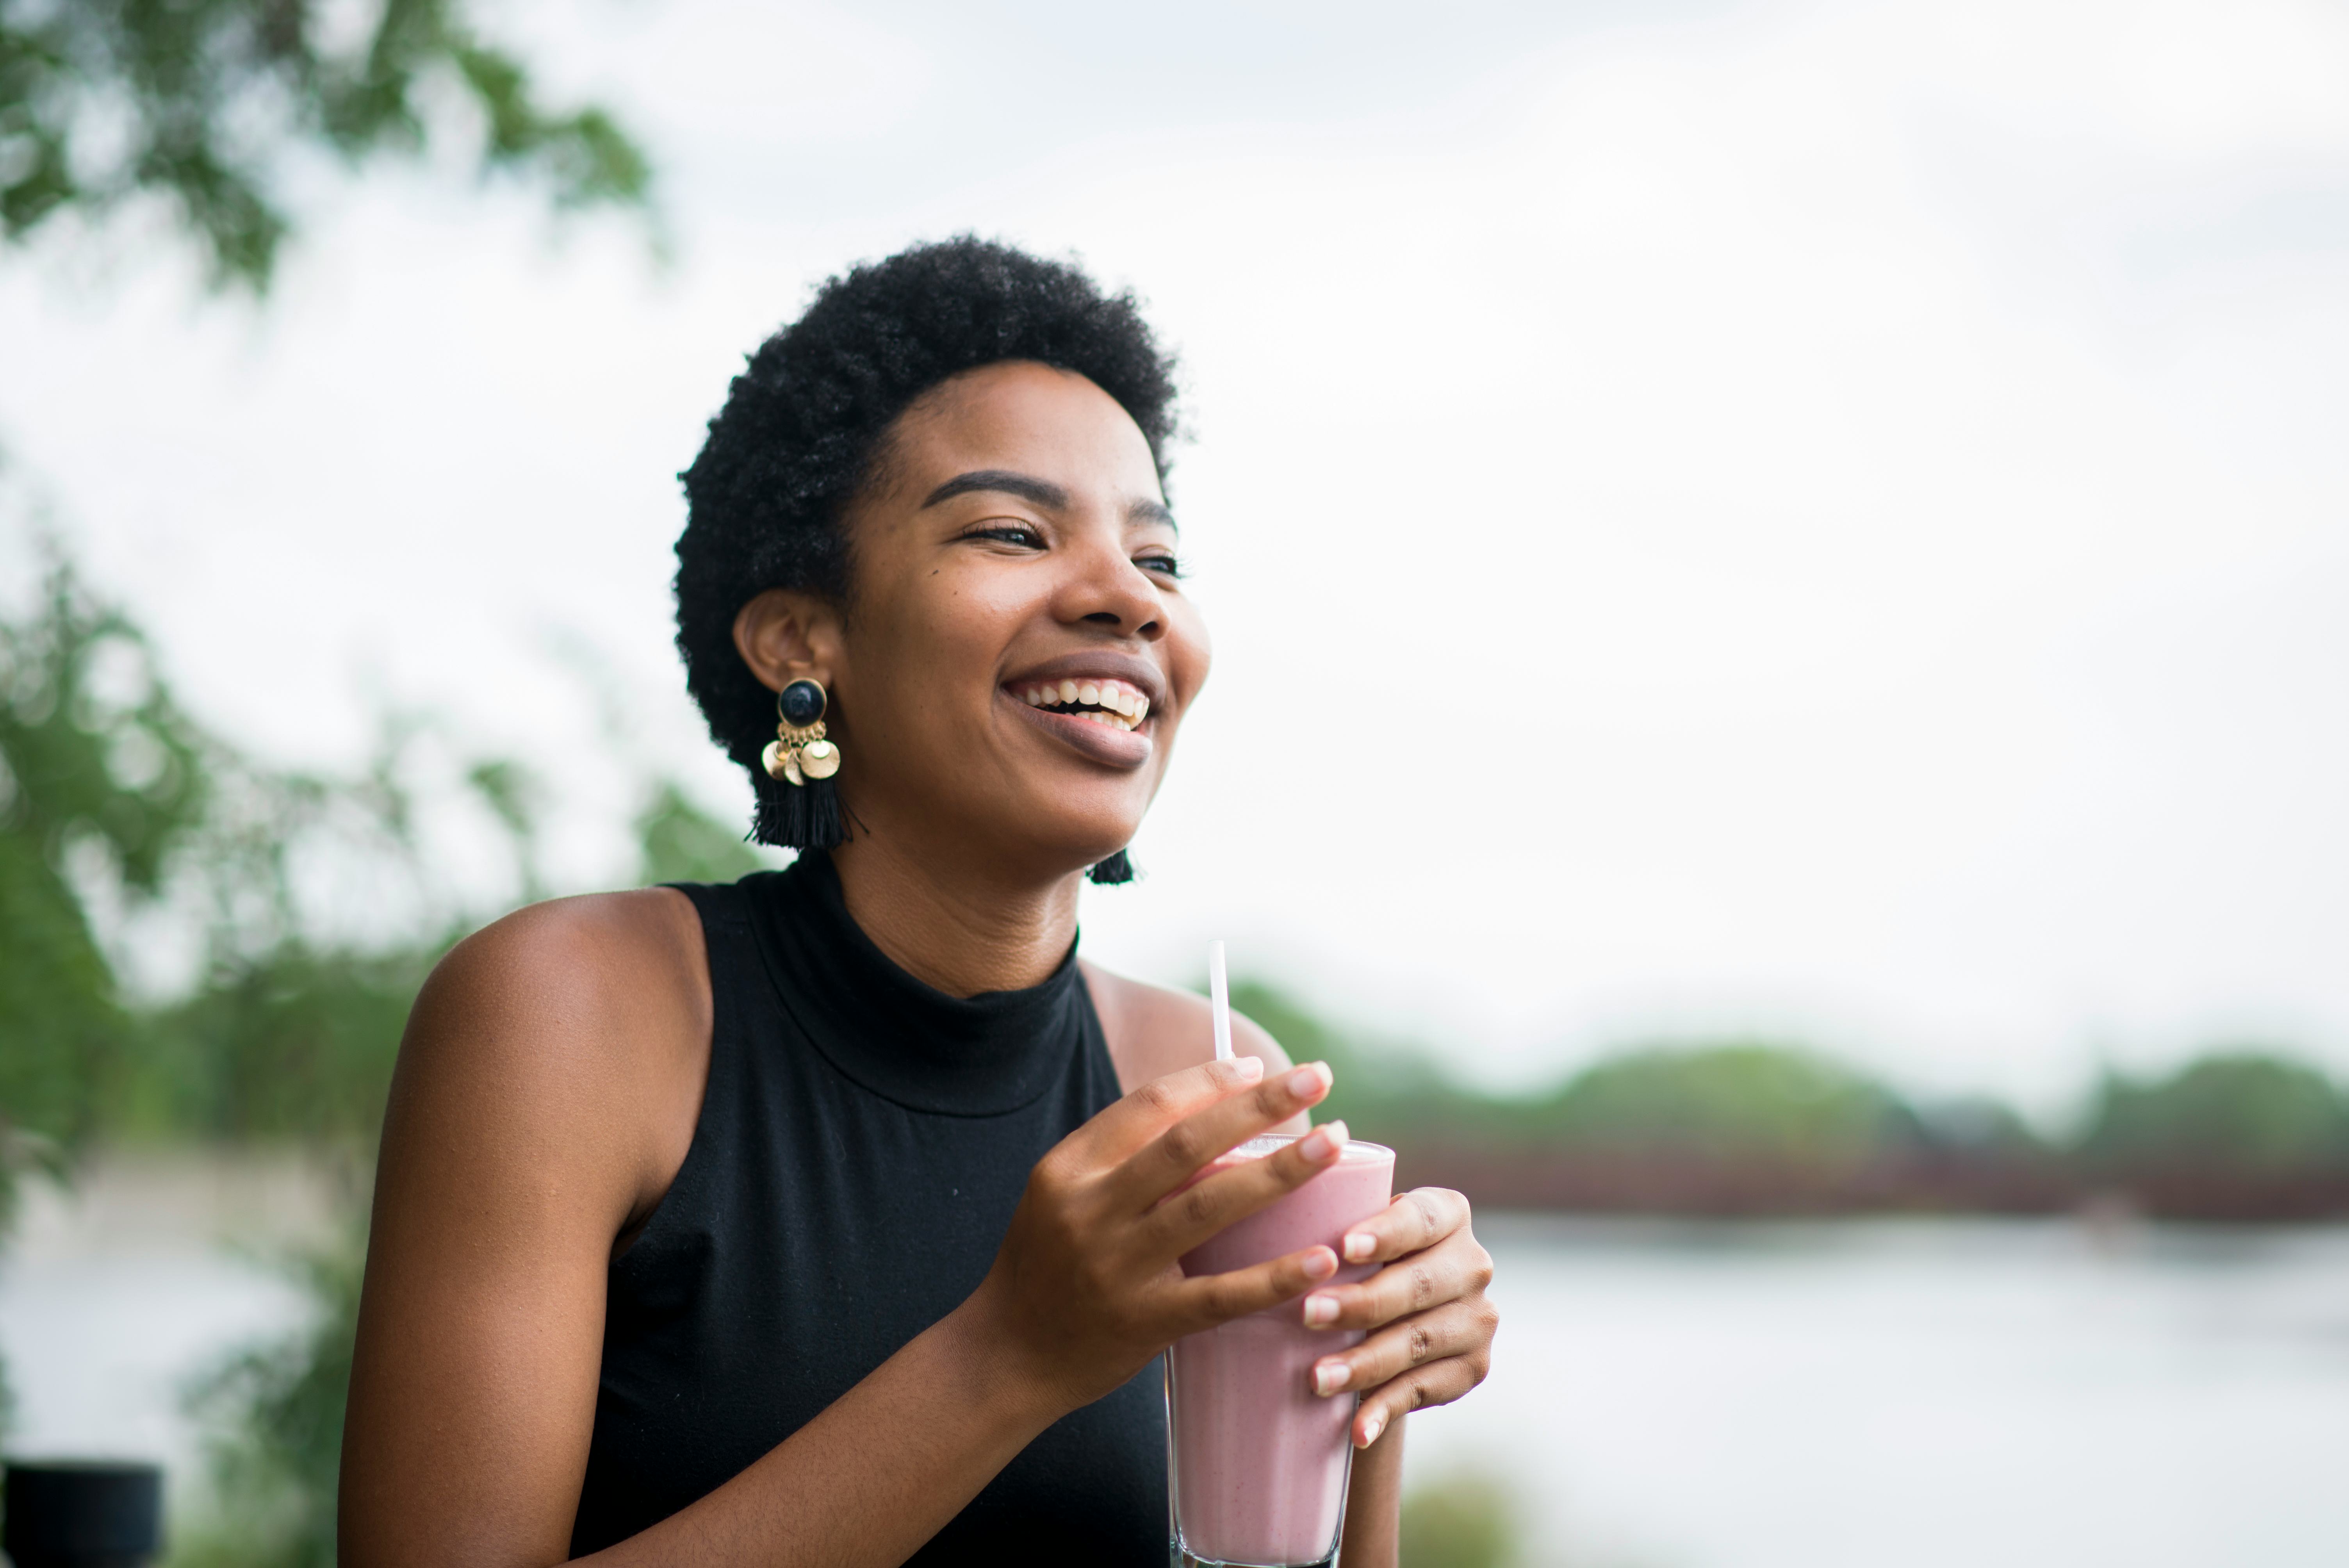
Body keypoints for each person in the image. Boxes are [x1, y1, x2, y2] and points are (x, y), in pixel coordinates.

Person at [339, 238, 1497, 1566]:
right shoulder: (573, 1016)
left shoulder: (1203, 1078)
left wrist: (1373, 1379)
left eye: (1160, 559)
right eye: (1014, 532)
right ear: (799, 642)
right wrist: (1009, 1358)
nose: (1129, 598)